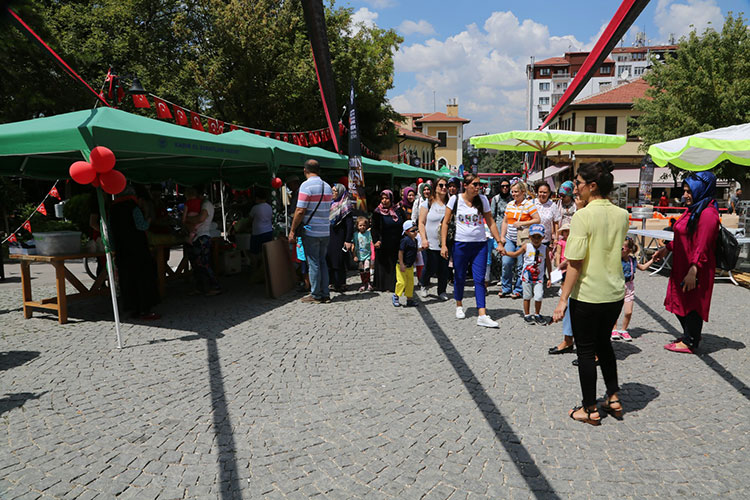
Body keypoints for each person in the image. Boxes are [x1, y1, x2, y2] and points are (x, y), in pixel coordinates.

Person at [552, 161, 630, 425]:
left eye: (578, 184)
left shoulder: (582, 216)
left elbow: (575, 263)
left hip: (588, 294)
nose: (577, 188)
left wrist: (562, 299)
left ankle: (589, 408)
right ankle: (614, 396)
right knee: (604, 344)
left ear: (592, 186)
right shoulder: (622, 214)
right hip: (614, 293)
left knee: (585, 352)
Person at [654, 171, 720, 354]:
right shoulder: (695, 209)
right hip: (683, 264)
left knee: (692, 302)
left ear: (701, 189)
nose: (685, 195)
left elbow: (703, 245)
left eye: (689, 191)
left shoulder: (708, 214)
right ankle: (690, 334)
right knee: (678, 300)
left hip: (695, 267)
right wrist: (667, 248)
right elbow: (685, 236)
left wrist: (694, 269)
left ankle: (691, 341)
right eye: (685, 191)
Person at [441, 173, 503, 328]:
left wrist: (499, 241)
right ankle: (459, 304)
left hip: (480, 245)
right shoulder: (455, 200)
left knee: (479, 279)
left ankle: (482, 314)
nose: (478, 188)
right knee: (460, 276)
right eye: (475, 184)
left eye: (479, 185)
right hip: (461, 244)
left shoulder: (482, 200)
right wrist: (443, 244)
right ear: (466, 186)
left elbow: (491, 222)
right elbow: (446, 222)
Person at [109, 185, 161, 319]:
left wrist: (113, 249)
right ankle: (145, 309)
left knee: (127, 280)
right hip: (137, 249)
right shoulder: (133, 207)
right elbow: (141, 226)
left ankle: (132, 308)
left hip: (122, 250)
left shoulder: (112, 208)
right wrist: (148, 219)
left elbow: (109, 231)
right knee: (142, 279)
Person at [288, 159, 333, 303]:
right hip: (325, 230)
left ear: (305, 170)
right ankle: (325, 293)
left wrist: (293, 230)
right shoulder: (327, 186)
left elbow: (300, 210)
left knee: (313, 262)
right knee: (322, 262)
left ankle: (315, 294)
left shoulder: (306, 186)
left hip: (311, 230)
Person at [502, 224, 551, 324]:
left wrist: (550, 277)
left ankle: (537, 314)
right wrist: (505, 253)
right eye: (534, 237)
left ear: (543, 237)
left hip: (539, 277)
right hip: (526, 277)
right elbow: (515, 254)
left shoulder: (544, 248)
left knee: (538, 296)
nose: (536, 240)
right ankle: (527, 314)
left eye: (539, 237)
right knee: (527, 296)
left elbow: (548, 263)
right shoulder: (526, 246)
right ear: (529, 237)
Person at [500, 180, 541, 298]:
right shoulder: (510, 205)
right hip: (509, 238)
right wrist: (502, 236)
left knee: (520, 265)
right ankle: (506, 287)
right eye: (512, 192)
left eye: (516, 192)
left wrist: (523, 222)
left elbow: (537, 220)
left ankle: (518, 289)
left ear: (523, 192)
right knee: (506, 262)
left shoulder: (529, 205)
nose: (513, 194)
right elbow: (505, 221)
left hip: (523, 239)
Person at [612, 237, 654, 341]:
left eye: (622, 248)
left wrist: (653, 259)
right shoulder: (616, 260)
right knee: (615, 310)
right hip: (617, 286)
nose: (619, 250)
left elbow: (643, 267)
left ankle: (623, 330)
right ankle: (614, 329)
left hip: (629, 287)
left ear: (629, 250)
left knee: (628, 312)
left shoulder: (632, 260)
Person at [185, 188, 221, 296]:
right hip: (197, 236)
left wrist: (186, 219)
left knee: (203, 263)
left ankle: (215, 286)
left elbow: (201, 218)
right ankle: (201, 287)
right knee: (196, 264)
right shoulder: (200, 204)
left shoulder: (206, 204)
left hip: (202, 236)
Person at [418, 178, 450, 300]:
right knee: (430, 266)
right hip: (430, 241)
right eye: (441, 185)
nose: (444, 187)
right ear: (435, 187)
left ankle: (442, 291)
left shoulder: (449, 204)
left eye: (445, 185)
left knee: (443, 268)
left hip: (444, 242)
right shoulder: (427, 203)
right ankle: (424, 284)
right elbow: (421, 222)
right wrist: (423, 238)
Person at [371, 190, 405, 292]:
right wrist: (376, 240)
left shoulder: (398, 210)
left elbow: (404, 223)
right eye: (382, 198)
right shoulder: (377, 212)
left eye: (387, 198)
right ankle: (382, 285)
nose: (384, 201)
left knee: (394, 264)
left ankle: (394, 285)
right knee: (383, 264)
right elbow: (374, 228)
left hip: (396, 241)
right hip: (383, 242)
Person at [327, 183, 354, 292]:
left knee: (339, 259)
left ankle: (340, 282)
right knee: (329, 258)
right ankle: (331, 282)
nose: (332, 193)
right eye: (332, 191)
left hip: (340, 235)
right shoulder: (330, 204)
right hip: (330, 234)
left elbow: (349, 224)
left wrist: (348, 240)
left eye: (335, 191)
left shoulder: (345, 205)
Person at [489, 179, 512, 283]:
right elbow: (492, 216)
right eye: (503, 186)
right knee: (497, 253)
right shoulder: (496, 199)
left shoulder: (512, 198)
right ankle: (497, 275)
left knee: (508, 252)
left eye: (507, 186)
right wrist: (491, 231)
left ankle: (506, 276)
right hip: (498, 228)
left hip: (510, 228)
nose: (505, 188)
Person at [393, 220, 418, 307]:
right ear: (406, 232)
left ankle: (409, 299)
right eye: (413, 230)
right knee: (401, 282)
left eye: (416, 230)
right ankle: (396, 296)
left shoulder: (415, 240)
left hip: (410, 266)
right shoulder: (405, 240)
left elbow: (413, 251)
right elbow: (401, 252)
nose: (415, 232)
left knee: (410, 283)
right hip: (401, 266)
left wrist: (421, 249)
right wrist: (402, 263)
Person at [533, 181, 561, 258]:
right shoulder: (531, 204)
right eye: (540, 192)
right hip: (532, 239)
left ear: (549, 193)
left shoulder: (553, 206)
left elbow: (556, 223)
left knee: (543, 263)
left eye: (545, 192)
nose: (542, 194)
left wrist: (556, 238)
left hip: (545, 240)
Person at [248, 189, 273, 255]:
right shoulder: (269, 207)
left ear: (257, 198)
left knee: (255, 253)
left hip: (258, 233)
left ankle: (256, 265)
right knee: (266, 253)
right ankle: (264, 265)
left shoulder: (255, 208)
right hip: (268, 231)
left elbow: (250, 220)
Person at [353, 216, 374, 292]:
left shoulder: (368, 233)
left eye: (364, 225)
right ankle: (363, 283)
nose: (362, 227)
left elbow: (372, 242)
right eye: (360, 225)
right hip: (359, 255)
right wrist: (354, 255)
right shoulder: (355, 234)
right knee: (361, 270)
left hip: (367, 255)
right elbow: (354, 245)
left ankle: (368, 282)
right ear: (357, 226)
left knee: (367, 268)